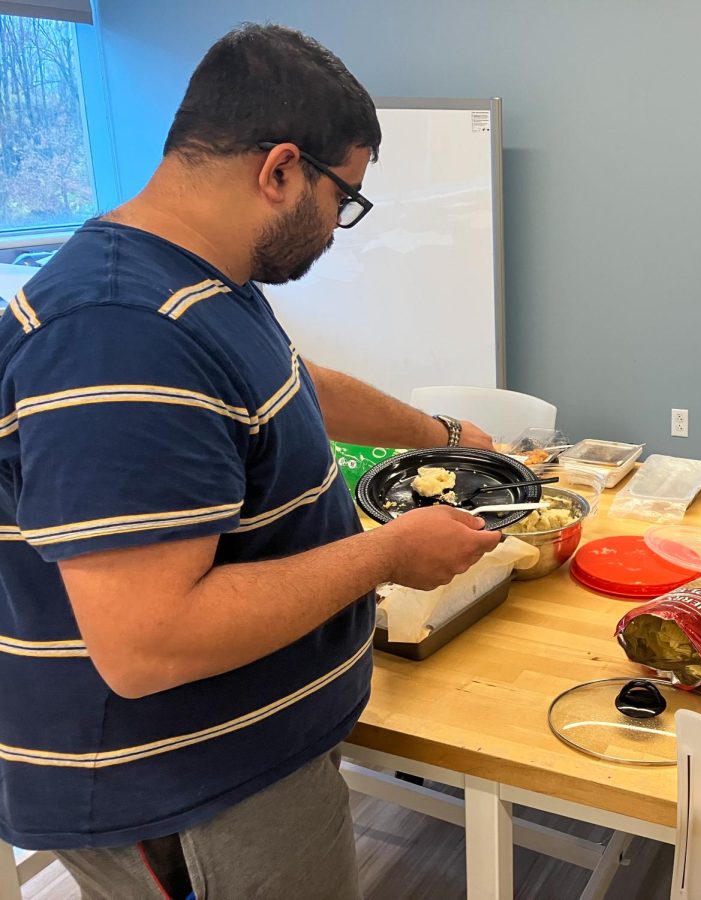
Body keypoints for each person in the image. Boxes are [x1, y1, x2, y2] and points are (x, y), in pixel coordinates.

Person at [0, 24, 503, 900]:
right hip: (186, 796)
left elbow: (292, 383)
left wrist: (441, 434)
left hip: (241, 763)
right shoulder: (119, 334)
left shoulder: (197, 282)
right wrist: (389, 553)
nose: (339, 230)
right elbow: (148, 644)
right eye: (343, 198)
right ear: (278, 170)